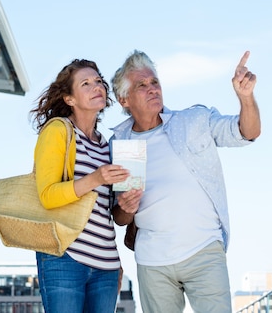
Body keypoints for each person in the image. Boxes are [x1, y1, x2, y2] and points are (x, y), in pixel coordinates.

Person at [110, 50, 261, 313]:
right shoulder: (119, 145)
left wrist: (245, 98)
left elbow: (247, 132)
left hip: (203, 252)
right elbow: (119, 217)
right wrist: (126, 206)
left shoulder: (193, 120)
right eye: (141, 85)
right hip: (153, 262)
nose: (152, 89)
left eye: (155, 82)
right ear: (124, 99)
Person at [30, 58, 129, 313]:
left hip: (106, 265)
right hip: (64, 258)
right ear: (69, 99)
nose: (96, 86)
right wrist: (95, 179)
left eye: (98, 81)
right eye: (85, 83)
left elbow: (110, 216)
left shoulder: (107, 145)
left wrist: (128, 206)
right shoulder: (58, 130)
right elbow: (47, 196)